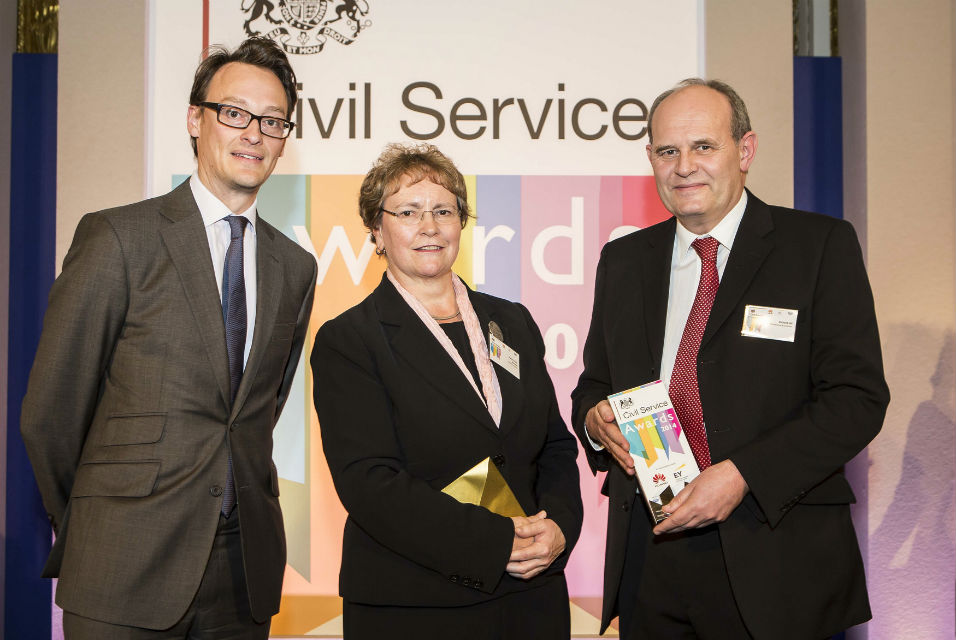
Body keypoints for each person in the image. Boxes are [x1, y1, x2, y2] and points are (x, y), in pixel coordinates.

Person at [20, 37, 317, 638]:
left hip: (243, 576)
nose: (253, 133)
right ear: (194, 119)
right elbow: (51, 411)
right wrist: (99, 521)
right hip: (122, 567)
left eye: (272, 121)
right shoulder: (118, 238)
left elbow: (259, 410)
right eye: (234, 113)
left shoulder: (294, 267)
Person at [572, 79, 889, 639]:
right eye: (668, 151)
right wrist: (596, 420)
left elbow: (857, 401)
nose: (684, 166)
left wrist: (744, 475)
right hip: (652, 560)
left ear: (744, 151)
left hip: (776, 555)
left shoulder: (816, 247)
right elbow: (593, 385)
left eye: (703, 147)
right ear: (650, 159)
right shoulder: (623, 261)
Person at [311, 143, 582, 640]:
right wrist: (500, 541)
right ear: (377, 230)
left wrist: (560, 527)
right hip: (415, 604)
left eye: (443, 210)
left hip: (531, 596)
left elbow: (556, 445)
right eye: (408, 212)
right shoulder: (350, 340)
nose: (429, 226)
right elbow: (370, 483)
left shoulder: (513, 322)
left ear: (462, 222)